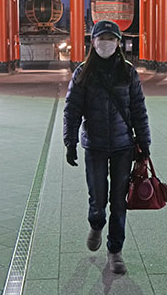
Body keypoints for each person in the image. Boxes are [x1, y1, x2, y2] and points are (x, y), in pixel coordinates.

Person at [63, 20, 151, 274]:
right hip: (95, 145)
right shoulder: (83, 73)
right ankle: (96, 223)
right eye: (102, 38)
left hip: (124, 146)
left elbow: (139, 109)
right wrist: (70, 142)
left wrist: (144, 142)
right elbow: (72, 110)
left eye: (111, 39)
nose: (106, 43)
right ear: (93, 42)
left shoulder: (128, 72)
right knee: (98, 197)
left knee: (119, 201)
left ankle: (115, 250)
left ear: (118, 43)